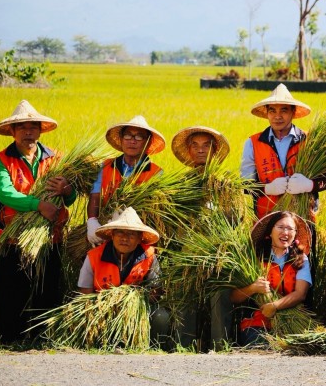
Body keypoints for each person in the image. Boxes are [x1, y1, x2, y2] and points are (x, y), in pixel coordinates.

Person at [0, 100, 77, 343]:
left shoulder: (56, 158)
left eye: (33, 127)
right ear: (12, 131)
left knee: (46, 290)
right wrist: (38, 205)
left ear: (40, 130)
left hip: (50, 236)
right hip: (12, 238)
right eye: (22, 127)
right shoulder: (0, 160)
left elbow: (69, 198)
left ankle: (43, 339)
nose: (28, 132)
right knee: (12, 291)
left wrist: (67, 189)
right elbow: (5, 193)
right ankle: (11, 340)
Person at [171, 125, 232, 349]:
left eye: (206, 145)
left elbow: (234, 221)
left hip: (217, 256)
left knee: (220, 294)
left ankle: (221, 347)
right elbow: (173, 221)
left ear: (214, 150)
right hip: (188, 255)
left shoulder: (225, 184)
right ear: (188, 150)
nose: (200, 150)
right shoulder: (179, 184)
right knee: (182, 291)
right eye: (195, 145)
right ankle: (182, 347)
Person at [77, 207, 169, 345]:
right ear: (112, 235)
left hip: (137, 309)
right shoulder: (94, 256)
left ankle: (154, 348)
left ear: (139, 239)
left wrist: (133, 302)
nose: (125, 238)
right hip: (102, 309)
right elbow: (85, 293)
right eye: (120, 232)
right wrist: (107, 306)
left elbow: (156, 289)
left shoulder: (149, 255)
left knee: (161, 316)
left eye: (131, 234)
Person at [240, 83, 326, 220]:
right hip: (266, 220)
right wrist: (268, 188)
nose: (277, 116)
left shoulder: (310, 141)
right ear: (266, 113)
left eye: (284, 110)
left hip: (303, 218)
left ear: (293, 112)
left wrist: (309, 185)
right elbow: (246, 186)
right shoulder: (253, 143)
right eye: (272, 111)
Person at [230, 211, 311, 346]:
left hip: (291, 320)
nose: (285, 232)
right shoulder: (255, 258)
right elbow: (233, 297)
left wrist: (274, 306)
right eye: (280, 227)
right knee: (261, 347)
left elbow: (300, 294)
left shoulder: (301, 259)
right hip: (257, 322)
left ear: (295, 234)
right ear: (270, 232)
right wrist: (253, 288)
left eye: (290, 229)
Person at [86, 115, 165, 245]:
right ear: (121, 139)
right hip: (105, 231)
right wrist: (92, 221)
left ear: (148, 142)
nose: (132, 141)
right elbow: (95, 196)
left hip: (138, 235)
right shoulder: (105, 166)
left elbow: (155, 211)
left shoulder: (156, 173)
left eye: (139, 137)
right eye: (128, 135)